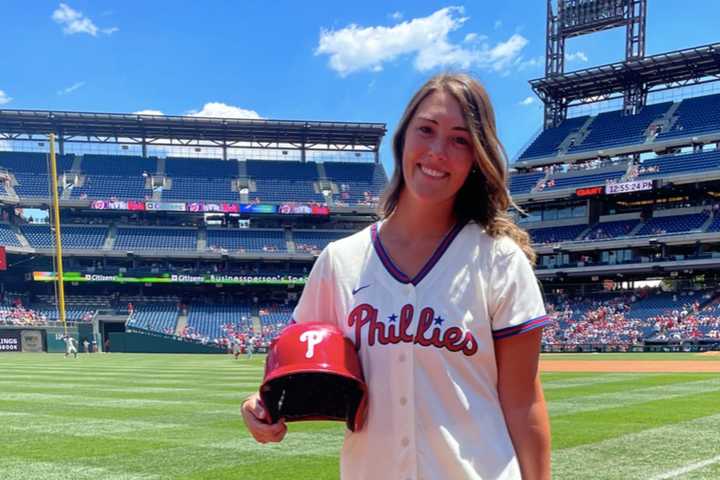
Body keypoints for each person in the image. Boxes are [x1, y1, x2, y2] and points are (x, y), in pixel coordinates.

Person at [241, 74, 551, 479]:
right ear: (403, 138)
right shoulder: (341, 260)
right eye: (426, 130)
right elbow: (291, 368)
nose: (438, 151)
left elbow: (522, 401)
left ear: (477, 156)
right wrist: (259, 406)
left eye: (460, 139)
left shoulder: (499, 259)